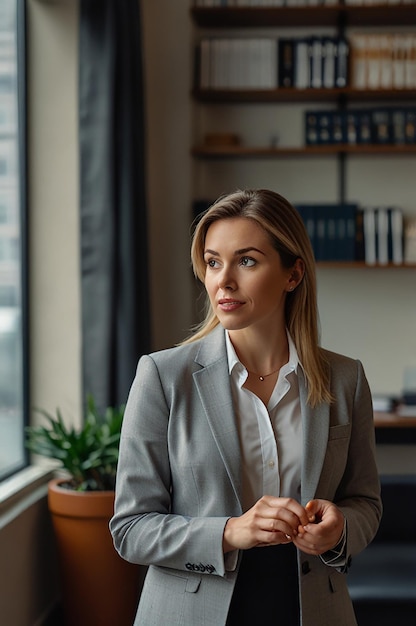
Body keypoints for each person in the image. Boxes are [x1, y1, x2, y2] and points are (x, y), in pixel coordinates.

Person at [110, 188, 382, 626]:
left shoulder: (345, 380)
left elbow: (365, 502)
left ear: (293, 275)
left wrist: (339, 529)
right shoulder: (162, 376)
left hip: (311, 607)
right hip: (192, 610)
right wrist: (230, 531)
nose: (223, 281)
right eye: (214, 262)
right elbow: (130, 529)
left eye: (247, 261)